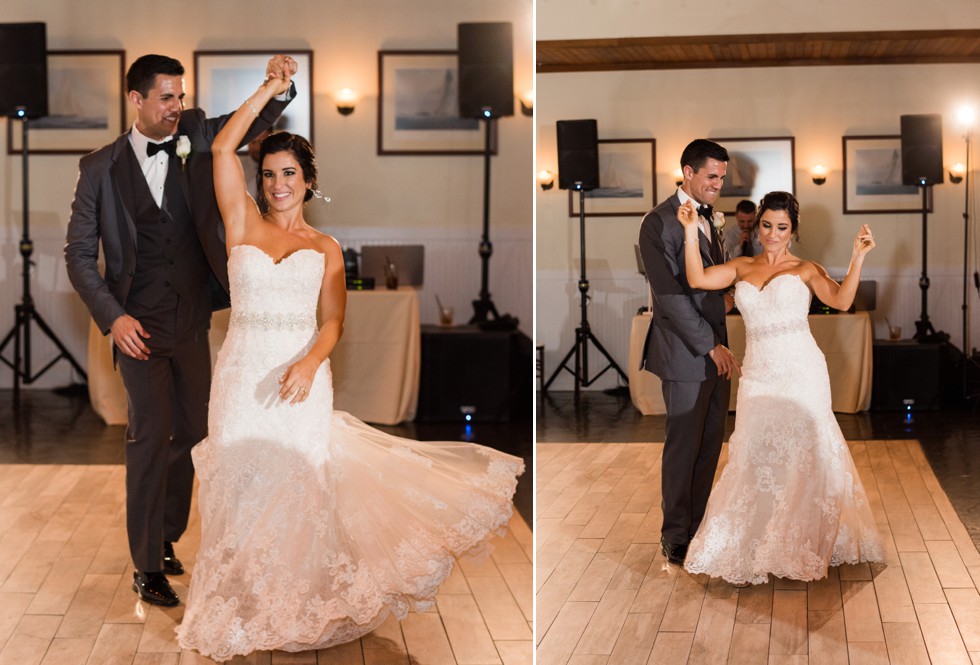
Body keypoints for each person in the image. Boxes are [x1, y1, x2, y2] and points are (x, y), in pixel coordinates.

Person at [174, 72, 523, 661]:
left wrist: (310, 362)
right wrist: (266, 91)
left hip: (300, 375)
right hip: (240, 375)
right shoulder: (241, 222)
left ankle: (295, 605)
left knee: (299, 487)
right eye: (269, 174)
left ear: (308, 181)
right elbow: (218, 147)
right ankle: (242, 605)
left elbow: (333, 320)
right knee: (239, 484)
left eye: (289, 174)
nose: (278, 184)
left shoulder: (326, 248)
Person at [64, 53, 295, 607]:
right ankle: (146, 564)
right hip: (135, 328)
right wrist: (113, 317)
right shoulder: (98, 168)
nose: (177, 106)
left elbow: (250, 123)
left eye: (181, 95)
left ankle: (165, 535)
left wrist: (277, 88)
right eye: (166, 97)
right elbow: (77, 254)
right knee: (149, 436)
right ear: (136, 99)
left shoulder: (194, 131)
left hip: (190, 319)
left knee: (191, 433)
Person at [679, 191, 884, 585]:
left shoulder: (807, 269)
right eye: (767, 226)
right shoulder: (740, 266)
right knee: (753, 453)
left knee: (808, 453)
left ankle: (802, 541)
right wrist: (690, 231)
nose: (773, 235)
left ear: (794, 230)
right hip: (759, 372)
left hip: (802, 371)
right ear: (758, 226)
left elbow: (841, 301)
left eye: (782, 227)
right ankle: (757, 540)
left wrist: (858, 257)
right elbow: (697, 278)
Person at [637, 138, 740, 567]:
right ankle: (675, 536)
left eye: (722, 176)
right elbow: (670, 297)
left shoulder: (711, 219)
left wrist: (736, 297)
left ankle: (699, 527)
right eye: (711, 176)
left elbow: (710, 283)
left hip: (717, 350)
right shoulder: (656, 223)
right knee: (683, 445)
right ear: (688, 172)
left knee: (710, 443)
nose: (718, 184)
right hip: (686, 353)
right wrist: (709, 344)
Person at [242, 127, 271, 200]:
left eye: (261, 142)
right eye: (253, 142)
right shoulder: (236, 168)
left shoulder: (280, 167)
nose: (257, 148)